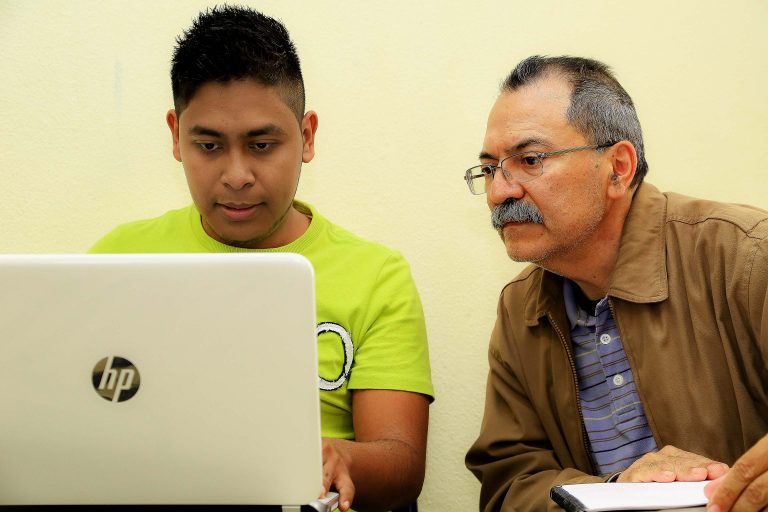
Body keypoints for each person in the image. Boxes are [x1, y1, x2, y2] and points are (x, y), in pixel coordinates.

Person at [88, 6, 434, 512]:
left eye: (262, 144)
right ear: (175, 135)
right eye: (208, 144)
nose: (237, 175)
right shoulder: (118, 258)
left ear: (307, 136)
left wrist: (338, 461)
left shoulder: (376, 276)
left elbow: (402, 464)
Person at [462, 55, 768, 511]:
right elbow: (508, 482)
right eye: (489, 169)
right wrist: (613, 488)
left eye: (529, 160)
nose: (499, 192)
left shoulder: (747, 257)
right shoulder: (520, 307)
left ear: (619, 167)